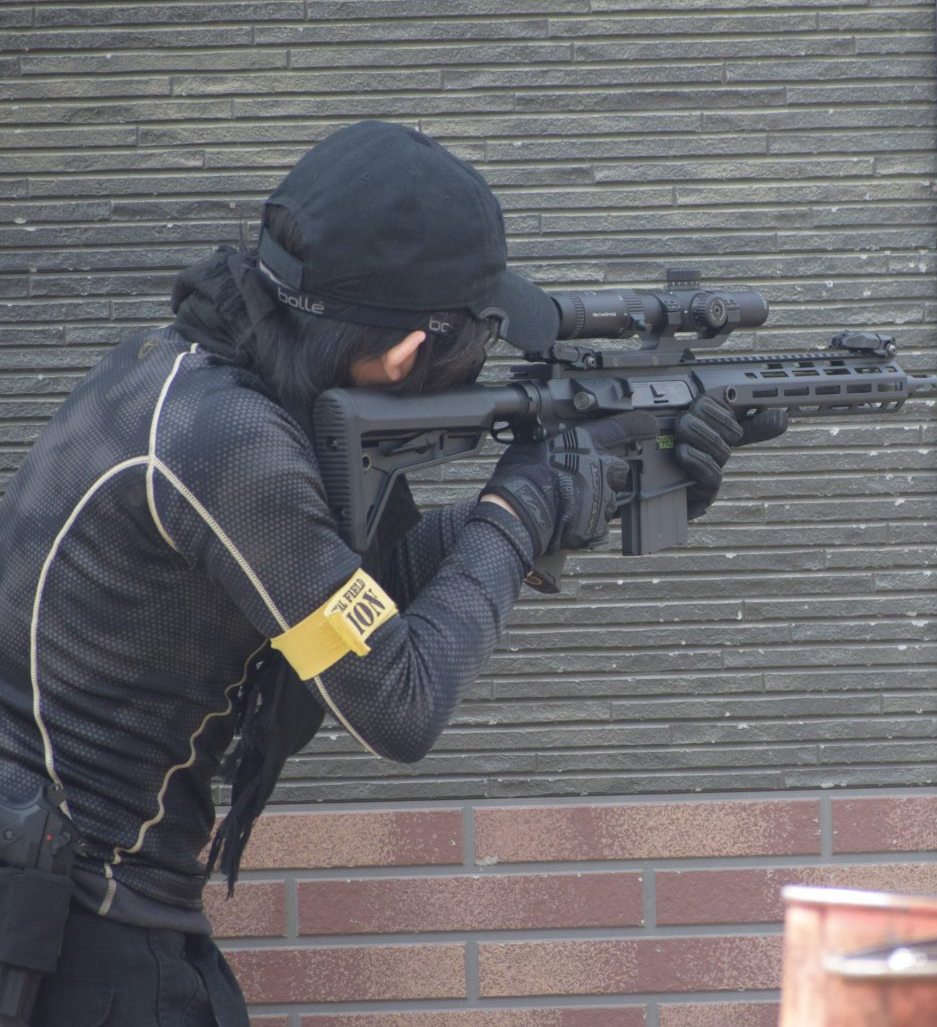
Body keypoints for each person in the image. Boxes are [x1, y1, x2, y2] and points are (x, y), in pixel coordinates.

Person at [0, 120, 783, 1027]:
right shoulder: (227, 443)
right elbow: (397, 703)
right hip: (78, 926)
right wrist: (518, 509)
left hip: (82, 895)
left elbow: (361, 592)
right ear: (409, 350)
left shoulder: (193, 377)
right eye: (478, 342)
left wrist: (598, 489)